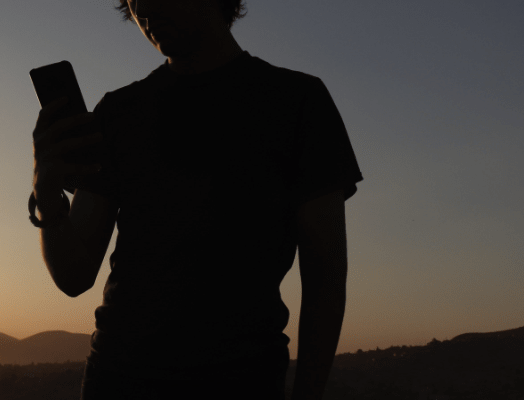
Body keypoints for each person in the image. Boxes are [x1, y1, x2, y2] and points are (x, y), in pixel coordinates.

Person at [28, 0, 362, 399]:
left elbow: (325, 277)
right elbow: (74, 275)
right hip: (118, 378)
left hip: (241, 382)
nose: (144, 9)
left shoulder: (297, 101)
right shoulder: (118, 113)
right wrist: (46, 192)